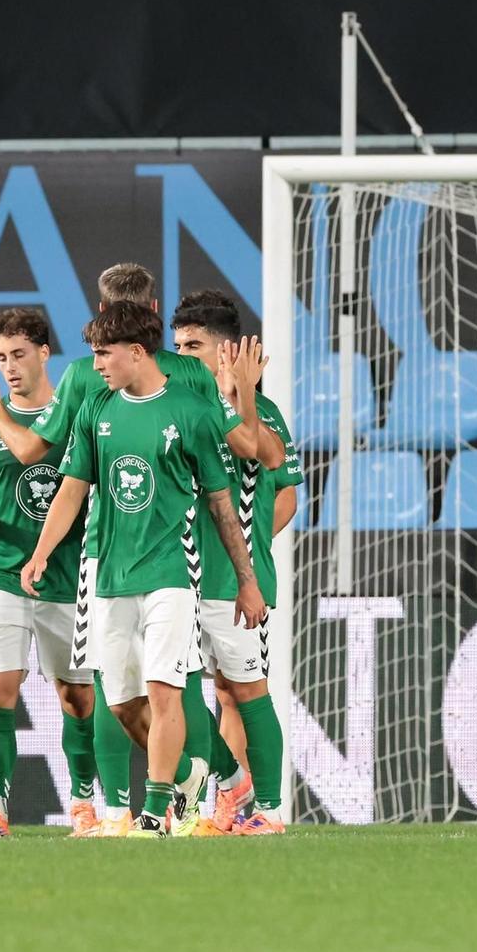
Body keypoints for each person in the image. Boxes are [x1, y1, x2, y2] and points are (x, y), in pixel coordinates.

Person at [0, 263, 259, 834]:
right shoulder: (93, 392)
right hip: (99, 560)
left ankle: (151, 805)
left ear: (130, 334)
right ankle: (209, 780)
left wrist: (238, 397)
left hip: (174, 557)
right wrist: (42, 551)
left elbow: (237, 460)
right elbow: (67, 477)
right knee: (118, 699)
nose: (97, 363)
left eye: (104, 351)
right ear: (152, 313)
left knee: (171, 688)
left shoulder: (184, 386)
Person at [0, 307, 95, 839]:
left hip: (67, 574)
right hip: (2, 571)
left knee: (76, 697)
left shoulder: (76, 414)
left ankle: (82, 803)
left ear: (44, 353)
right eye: (1, 358)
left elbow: (38, 455)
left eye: (19, 355)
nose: (9, 367)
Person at [168, 291, 301, 835]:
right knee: (176, 688)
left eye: (192, 345)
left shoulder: (261, 413)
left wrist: (245, 550)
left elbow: (279, 482)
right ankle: (223, 788)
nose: (179, 355)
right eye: (175, 345)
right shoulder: (169, 404)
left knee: (241, 690)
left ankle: (264, 809)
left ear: (226, 352)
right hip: (173, 573)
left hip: (231, 580)